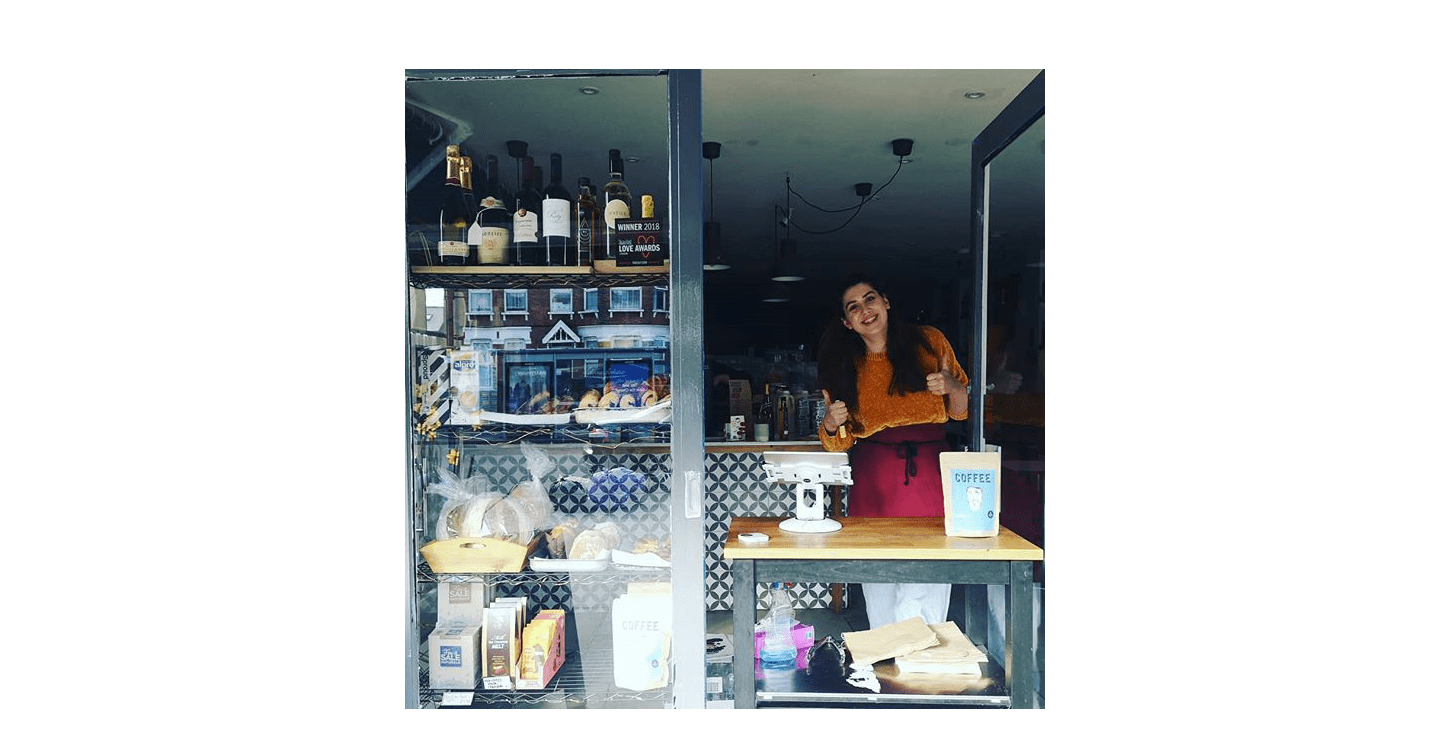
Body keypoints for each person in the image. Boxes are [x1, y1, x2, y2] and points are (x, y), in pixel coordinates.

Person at [816, 273, 970, 629]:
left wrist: (950, 386)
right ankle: (888, 671)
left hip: (929, 475)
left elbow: (961, 409)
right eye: (853, 308)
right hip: (874, 481)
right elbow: (837, 443)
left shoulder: (930, 342)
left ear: (886, 302)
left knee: (925, 580)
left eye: (870, 299)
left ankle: (921, 673)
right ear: (846, 323)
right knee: (880, 586)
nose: (864, 311)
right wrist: (829, 422)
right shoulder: (844, 367)